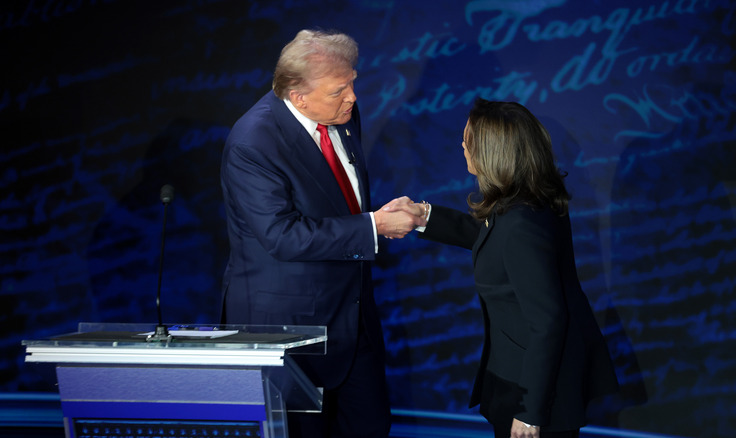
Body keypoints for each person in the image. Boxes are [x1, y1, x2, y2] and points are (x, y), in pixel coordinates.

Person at [220, 29, 422, 438]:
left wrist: (378, 215)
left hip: (353, 320)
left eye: (352, 84)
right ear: (298, 97)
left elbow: (333, 197)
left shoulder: (341, 114)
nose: (352, 97)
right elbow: (281, 235)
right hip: (290, 333)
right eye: (339, 90)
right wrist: (373, 226)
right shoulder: (253, 142)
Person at [387, 99, 618, 438]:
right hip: (515, 377)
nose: (462, 145)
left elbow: (547, 323)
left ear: (491, 153)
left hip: (533, 393)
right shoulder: (523, 201)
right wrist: (425, 216)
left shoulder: (522, 223)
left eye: (468, 139)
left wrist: (530, 414)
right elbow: (492, 239)